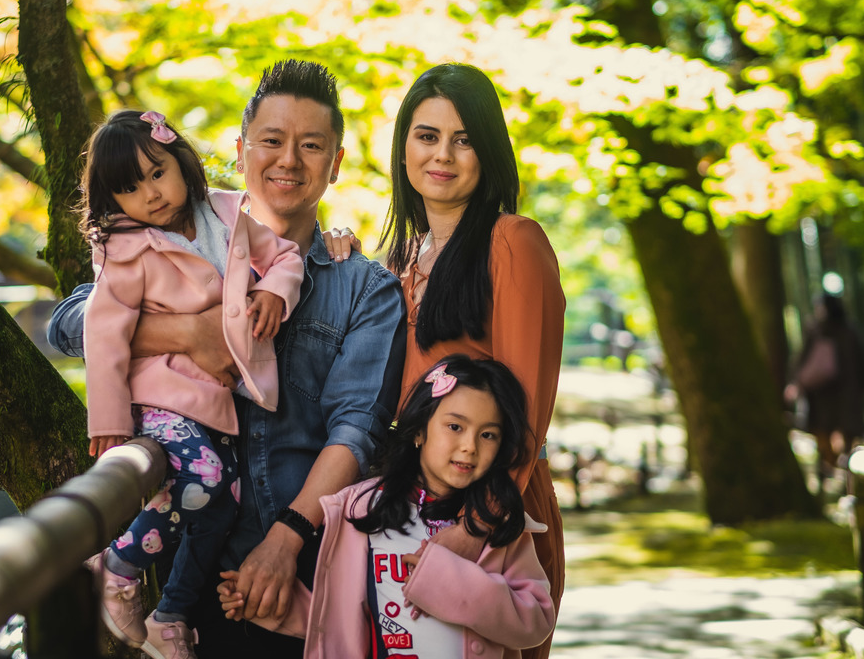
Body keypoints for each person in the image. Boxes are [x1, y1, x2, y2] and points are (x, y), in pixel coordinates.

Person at [47, 60, 406, 658]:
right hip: (205, 578)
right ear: (241, 151)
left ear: (335, 162)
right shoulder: (161, 244)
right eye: (271, 141)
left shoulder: (363, 287)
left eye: (311, 145)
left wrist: (285, 541)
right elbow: (69, 324)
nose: (288, 160)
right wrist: (184, 331)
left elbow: (357, 429)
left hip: (313, 577)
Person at [78, 109, 305, 657]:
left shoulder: (227, 212)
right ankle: (118, 564)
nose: (151, 194)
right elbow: (103, 335)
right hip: (160, 397)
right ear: (114, 201)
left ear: (181, 162)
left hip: (213, 401)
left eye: (157, 173)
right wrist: (108, 424)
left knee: (222, 500)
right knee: (204, 482)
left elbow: (287, 255)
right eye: (130, 188)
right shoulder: (124, 250)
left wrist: (275, 290)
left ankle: (171, 611)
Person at [379, 62, 567, 659]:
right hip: (408, 511)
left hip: (493, 518)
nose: (443, 155)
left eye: (464, 140)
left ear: (489, 152)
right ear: (403, 146)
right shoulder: (399, 262)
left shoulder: (513, 243)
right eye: (427, 135)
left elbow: (523, 409)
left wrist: (468, 537)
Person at [217, 355, 556, 659]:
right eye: (455, 427)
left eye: (488, 435)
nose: (469, 446)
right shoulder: (362, 509)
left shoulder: (496, 523)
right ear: (419, 431)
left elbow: (536, 620)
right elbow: (343, 617)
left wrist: (448, 580)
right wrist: (270, 604)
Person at [785, 293, 864, 473]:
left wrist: (796, 381)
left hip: (829, 395)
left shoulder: (819, 330)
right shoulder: (846, 331)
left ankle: (837, 469)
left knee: (833, 432)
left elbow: (802, 361)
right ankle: (836, 469)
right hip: (834, 395)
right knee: (836, 432)